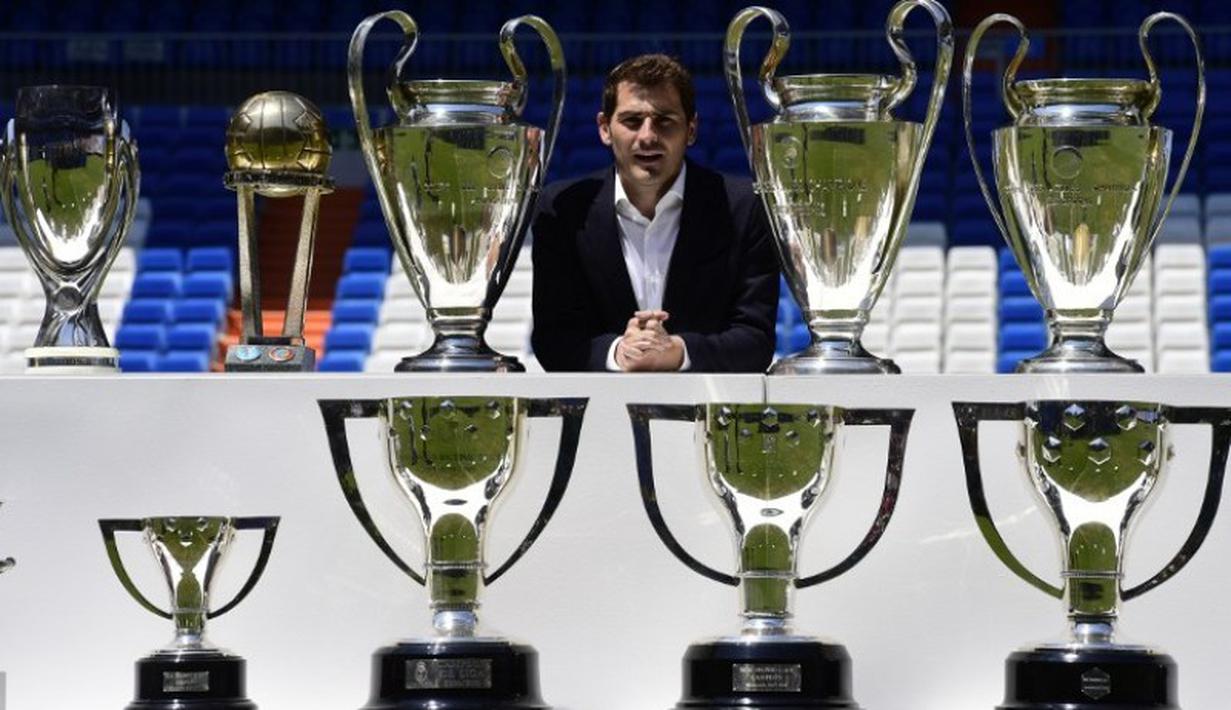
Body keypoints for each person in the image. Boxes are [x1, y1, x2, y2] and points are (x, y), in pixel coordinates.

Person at [530, 54, 779, 372]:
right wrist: (619, 352)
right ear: (605, 129)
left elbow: (755, 340)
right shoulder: (563, 208)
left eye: (664, 121)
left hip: (706, 412)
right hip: (600, 416)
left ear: (691, 130)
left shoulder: (744, 207)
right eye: (632, 121)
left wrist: (677, 352)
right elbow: (554, 339)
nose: (648, 135)